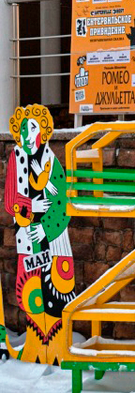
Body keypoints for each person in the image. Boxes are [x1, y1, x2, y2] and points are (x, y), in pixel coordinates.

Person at [3, 105, 77, 364]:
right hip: (27, 238)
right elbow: (10, 200)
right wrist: (30, 205)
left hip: (54, 240)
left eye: (32, 128)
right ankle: (36, 345)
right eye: (23, 129)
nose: (27, 135)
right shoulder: (16, 159)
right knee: (30, 290)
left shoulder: (51, 162)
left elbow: (62, 203)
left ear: (43, 132)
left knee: (57, 289)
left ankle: (56, 347)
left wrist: (45, 227)